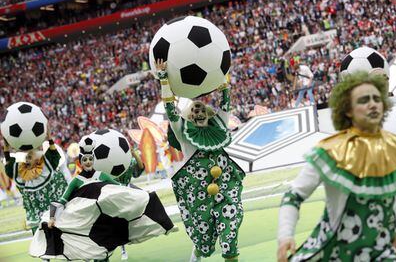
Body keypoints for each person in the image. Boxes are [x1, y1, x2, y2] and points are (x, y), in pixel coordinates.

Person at [277, 71, 396, 261]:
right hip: (335, 252)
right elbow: (294, 196)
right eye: (364, 100)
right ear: (348, 109)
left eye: (376, 98)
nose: (373, 104)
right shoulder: (329, 151)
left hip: (381, 252)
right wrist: (285, 236)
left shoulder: (394, 148)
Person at [29, 136, 176, 261]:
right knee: (90, 254)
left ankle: (164, 226)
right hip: (85, 224)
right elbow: (63, 200)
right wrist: (53, 217)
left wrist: (141, 194)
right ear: (80, 161)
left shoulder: (102, 175)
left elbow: (120, 190)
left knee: (103, 256)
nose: (87, 162)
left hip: (103, 224)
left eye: (90, 159)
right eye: (85, 159)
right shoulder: (76, 180)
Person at [156, 59, 245, 262]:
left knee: (230, 232)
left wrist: (223, 81)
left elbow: (226, 103)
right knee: (204, 243)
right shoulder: (183, 133)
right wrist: (164, 80)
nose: (198, 112)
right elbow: (171, 110)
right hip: (199, 197)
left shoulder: (219, 125)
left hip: (225, 191)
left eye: (201, 109)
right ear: (188, 117)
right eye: (194, 110)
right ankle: (196, 256)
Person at [1, 129, 68, 234]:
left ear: (37, 160)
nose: (26, 160)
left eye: (29, 157)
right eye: (26, 158)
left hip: (54, 216)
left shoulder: (46, 167)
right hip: (36, 220)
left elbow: (54, 156)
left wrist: (49, 139)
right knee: (41, 247)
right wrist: (6, 148)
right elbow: (9, 168)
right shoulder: (22, 173)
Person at [114, 147, 145, 261]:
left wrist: (134, 154)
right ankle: (123, 249)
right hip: (115, 195)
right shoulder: (110, 163)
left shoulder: (130, 162)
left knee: (147, 198)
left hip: (128, 192)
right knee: (119, 222)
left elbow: (140, 168)